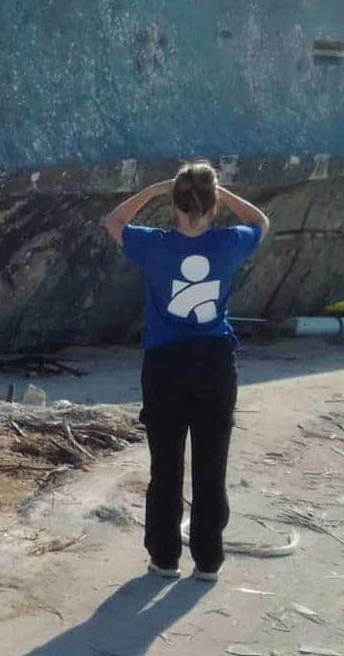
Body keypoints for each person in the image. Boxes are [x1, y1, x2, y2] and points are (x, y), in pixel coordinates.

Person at [100, 162, 269, 581]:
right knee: (212, 466)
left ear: (174, 203)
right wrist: (222, 193)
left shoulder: (153, 245)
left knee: (166, 467)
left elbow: (113, 221)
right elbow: (260, 221)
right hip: (214, 362)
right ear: (212, 206)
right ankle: (208, 560)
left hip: (165, 364)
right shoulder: (230, 242)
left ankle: (164, 557)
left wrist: (154, 191)